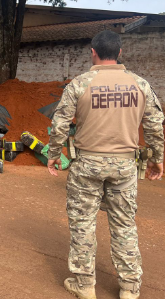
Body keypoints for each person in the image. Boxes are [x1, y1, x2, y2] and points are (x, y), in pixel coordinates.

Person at [46, 30, 164, 299]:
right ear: (120, 53)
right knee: (124, 225)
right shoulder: (140, 84)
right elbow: (155, 126)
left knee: (83, 223)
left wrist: (54, 153)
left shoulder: (79, 84)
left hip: (86, 164)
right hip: (125, 166)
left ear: (93, 52)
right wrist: (157, 159)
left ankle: (85, 285)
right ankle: (130, 288)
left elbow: (60, 123)